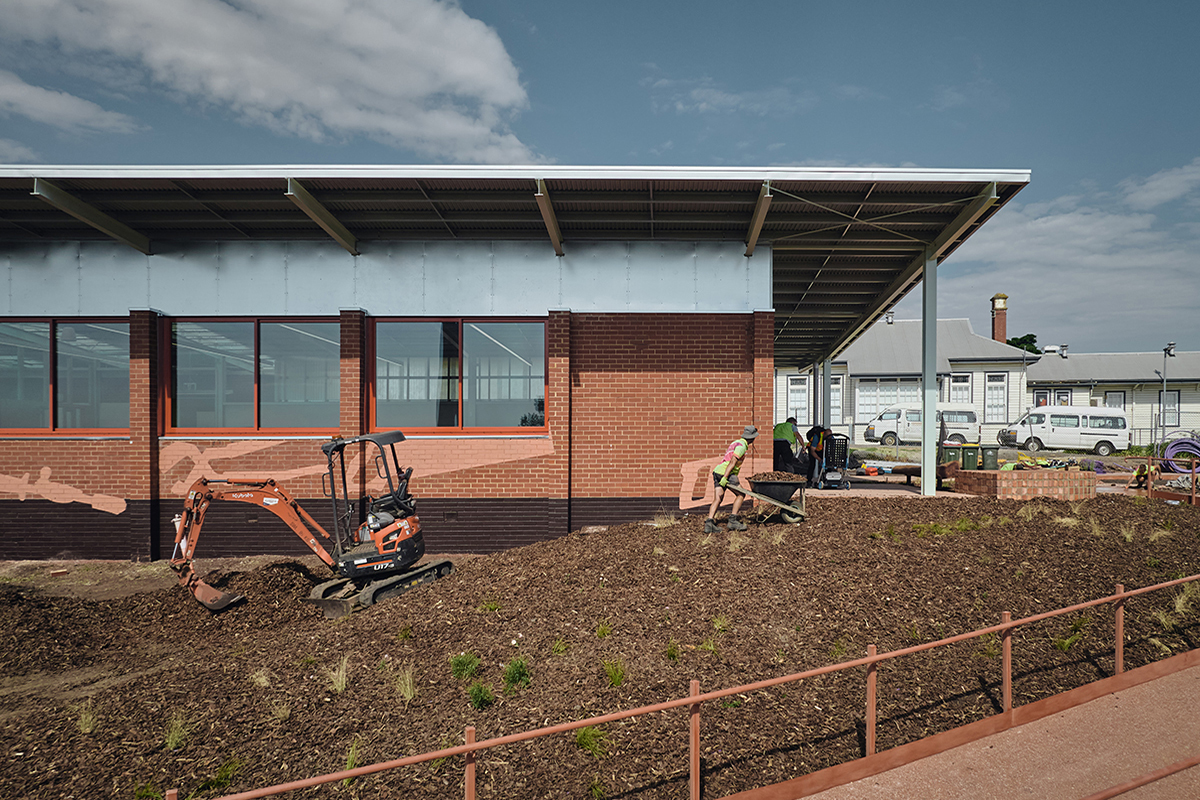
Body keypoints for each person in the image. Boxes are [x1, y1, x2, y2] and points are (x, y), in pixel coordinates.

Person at [706, 425, 758, 533]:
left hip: (717, 471)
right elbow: (732, 462)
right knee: (741, 494)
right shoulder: (741, 447)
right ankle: (733, 521)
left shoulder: (736, 442)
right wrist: (725, 477)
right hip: (726, 473)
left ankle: (709, 523)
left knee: (718, 498)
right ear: (752, 438)